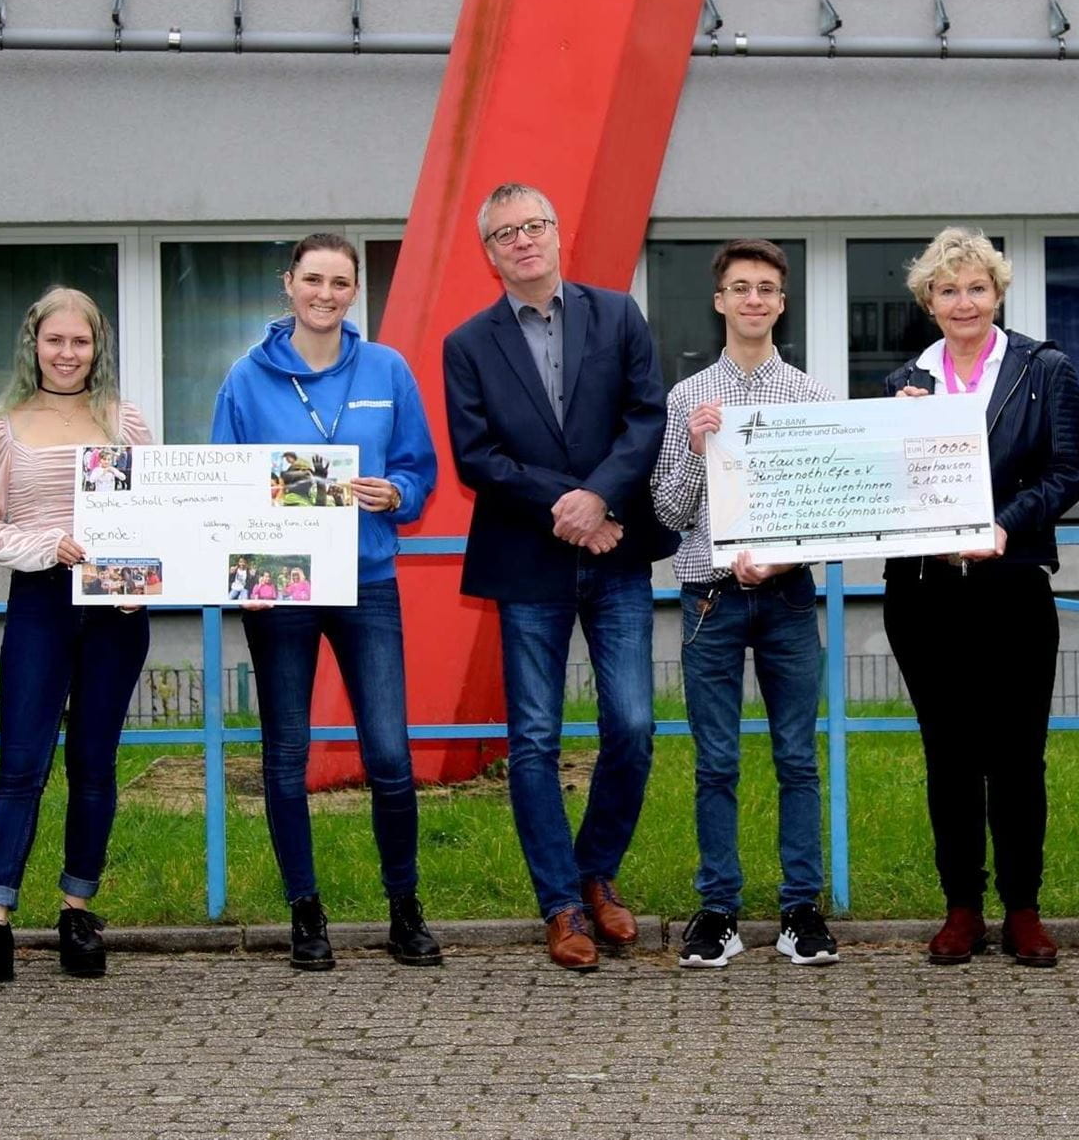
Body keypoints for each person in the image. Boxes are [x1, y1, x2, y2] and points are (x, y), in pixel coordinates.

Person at [444, 182, 672, 971]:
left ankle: (596, 870)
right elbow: (477, 457)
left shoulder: (618, 315)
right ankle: (562, 905)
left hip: (617, 554)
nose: (523, 240)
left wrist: (600, 493)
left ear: (557, 231)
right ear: (490, 253)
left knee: (634, 726)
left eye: (534, 224)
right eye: (505, 232)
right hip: (529, 558)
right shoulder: (467, 344)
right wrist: (569, 502)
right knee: (535, 738)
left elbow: (648, 417)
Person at [213, 231, 444, 969]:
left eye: (340, 282)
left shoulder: (387, 368)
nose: (326, 293)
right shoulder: (245, 379)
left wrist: (398, 491)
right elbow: (223, 487)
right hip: (280, 583)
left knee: (388, 752)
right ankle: (305, 911)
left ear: (354, 292)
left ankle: (405, 905)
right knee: (286, 754)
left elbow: (419, 465)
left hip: (368, 576)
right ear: (289, 284)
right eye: (313, 279)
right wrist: (236, 575)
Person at [0, 287, 154, 992]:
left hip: (116, 609)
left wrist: (140, 572)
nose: (67, 353)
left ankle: (77, 910)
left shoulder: (127, 421)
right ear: (33, 344)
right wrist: (48, 544)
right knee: (21, 762)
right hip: (42, 600)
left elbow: (159, 513)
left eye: (80, 341)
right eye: (54, 340)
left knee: (94, 762)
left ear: (98, 346)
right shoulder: (2, 426)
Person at [884, 228, 1079, 967]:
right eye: (947, 289)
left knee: (1017, 755)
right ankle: (961, 907)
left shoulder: (1044, 368)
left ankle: (1025, 910)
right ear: (929, 303)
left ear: (997, 293)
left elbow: (1069, 470)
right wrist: (896, 435)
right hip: (924, 594)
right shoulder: (906, 381)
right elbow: (888, 489)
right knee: (948, 755)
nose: (962, 301)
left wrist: (1005, 526)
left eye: (976, 287)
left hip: (1012, 586)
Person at [648, 238, 841, 968]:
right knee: (716, 761)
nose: (754, 299)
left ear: (781, 303)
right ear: (720, 301)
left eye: (767, 288)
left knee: (797, 757)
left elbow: (827, 509)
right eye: (741, 287)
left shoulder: (814, 399)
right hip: (709, 599)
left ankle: (801, 909)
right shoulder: (689, 397)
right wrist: (697, 452)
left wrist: (788, 557)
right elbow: (667, 510)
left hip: (788, 596)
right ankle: (718, 910)